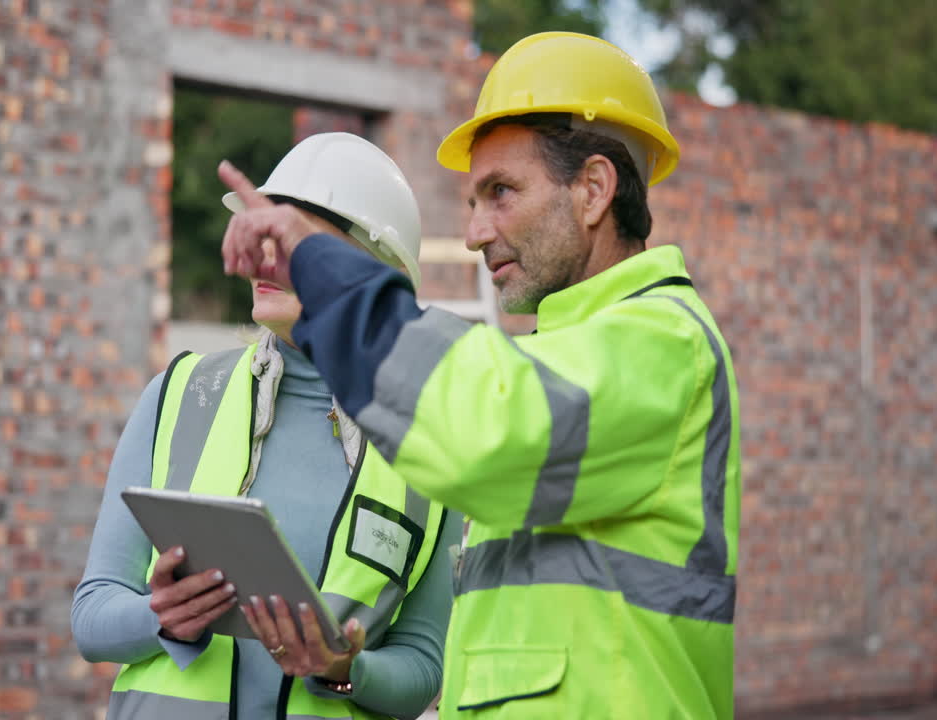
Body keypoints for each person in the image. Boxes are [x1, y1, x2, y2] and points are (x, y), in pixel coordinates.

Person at [217, 32, 741, 719]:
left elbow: (480, 428)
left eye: (501, 192)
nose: (473, 231)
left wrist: (321, 267)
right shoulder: (572, 354)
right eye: (473, 200)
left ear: (592, 190)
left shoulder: (664, 342)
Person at [73, 132, 459, 720]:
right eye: (262, 233)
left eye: (294, 241)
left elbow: (425, 664)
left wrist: (346, 668)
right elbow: (92, 618)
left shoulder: (438, 441)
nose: (263, 256)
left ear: (374, 271)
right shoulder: (180, 395)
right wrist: (161, 616)